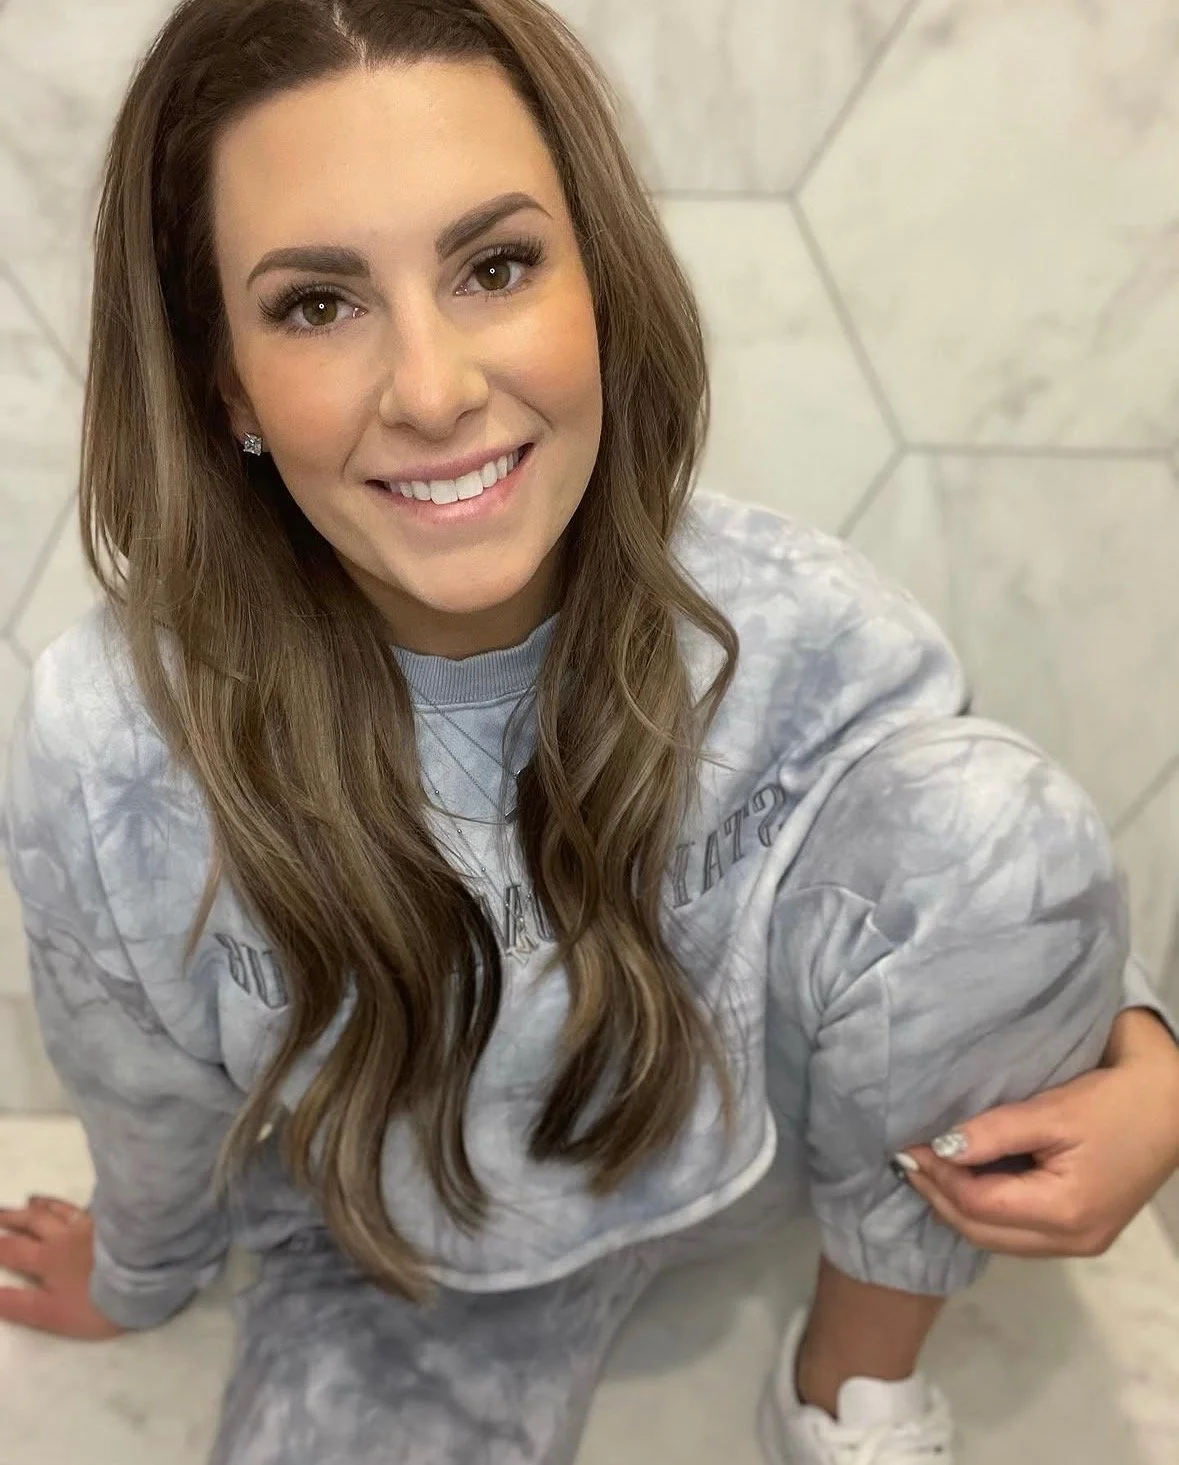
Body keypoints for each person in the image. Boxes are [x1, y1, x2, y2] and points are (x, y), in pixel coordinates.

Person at [1, 2, 1177, 1462]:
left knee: (992, 818)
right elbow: (141, 1083)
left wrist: (1140, 1053)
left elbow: (985, 860)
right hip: (409, 1262)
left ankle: (850, 1392)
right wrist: (141, 1273)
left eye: (494, 267)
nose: (434, 391)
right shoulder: (116, 744)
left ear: (597, 287)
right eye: (316, 304)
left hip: (749, 1151)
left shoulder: (783, 613)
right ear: (223, 379)